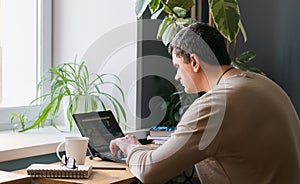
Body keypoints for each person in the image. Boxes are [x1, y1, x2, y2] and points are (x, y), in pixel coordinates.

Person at [110, 22, 300, 183]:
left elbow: (149, 172)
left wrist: (130, 146)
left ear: (194, 62)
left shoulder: (216, 104)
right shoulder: (263, 83)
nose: (176, 76)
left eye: (177, 66)